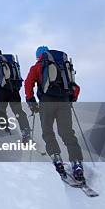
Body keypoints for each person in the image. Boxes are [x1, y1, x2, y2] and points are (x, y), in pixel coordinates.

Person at [24, 46, 84, 181]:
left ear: (38, 56)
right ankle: (77, 163)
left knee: (48, 131)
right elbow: (74, 85)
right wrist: (71, 98)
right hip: (64, 102)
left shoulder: (38, 66)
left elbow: (28, 84)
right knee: (67, 133)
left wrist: (31, 100)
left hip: (46, 102)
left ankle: (56, 158)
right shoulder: (63, 65)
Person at [0, 48, 31, 141]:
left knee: (1, 111)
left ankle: (6, 130)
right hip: (14, 91)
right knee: (18, 111)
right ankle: (26, 131)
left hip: (1, 93)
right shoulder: (11, 64)